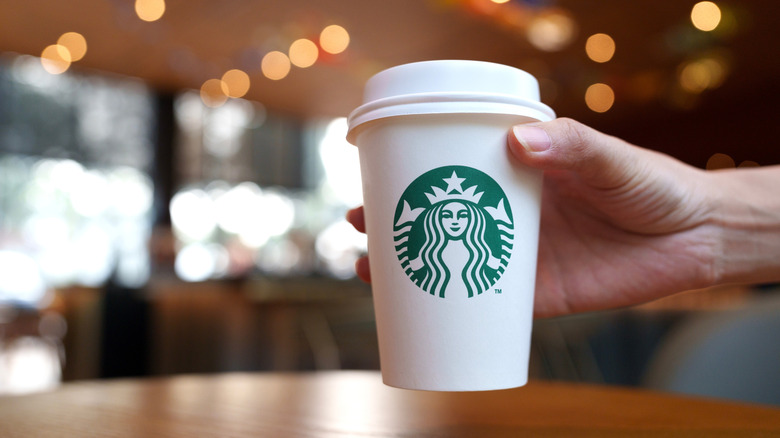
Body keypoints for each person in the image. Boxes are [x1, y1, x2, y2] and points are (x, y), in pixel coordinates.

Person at [347, 118, 780, 317]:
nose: (456, 220)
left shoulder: (481, 256)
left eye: (465, 211)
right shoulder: (431, 258)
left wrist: (705, 221)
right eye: (447, 213)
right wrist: (707, 229)